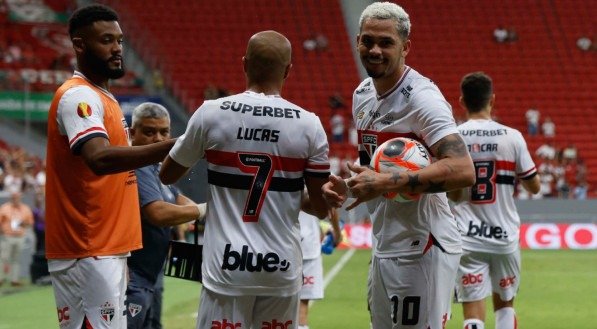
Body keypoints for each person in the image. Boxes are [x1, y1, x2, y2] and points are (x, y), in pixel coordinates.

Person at [159, 30, 330, 329]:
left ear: (244, 64)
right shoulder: (309, 125)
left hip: (226, 266)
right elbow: (320, 207)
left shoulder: (211, 114)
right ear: (288, 70)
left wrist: (199, 144)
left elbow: (167, 174)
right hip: (281, 267)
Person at [322, 3, 475, 328]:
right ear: (357, 41)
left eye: (386, 42)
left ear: (405, 47)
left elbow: (463, 169)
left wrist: (390, 183)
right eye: (368, 41)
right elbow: (375, 172)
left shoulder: (422, 99)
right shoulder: (362, 94)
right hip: (385, 243)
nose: (375, 50)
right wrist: (348, 188)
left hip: (423, 245)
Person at [44, 4, 175, 328]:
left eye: (119, 40)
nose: (117, 48)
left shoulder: (105, 98)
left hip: (108, 248)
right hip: (87, 248)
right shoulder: (78, 97)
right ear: (79, 44)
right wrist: (177, 146)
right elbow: (99, 159)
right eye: (106, 40)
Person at [448, 72, 541, 329]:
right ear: (493, 100)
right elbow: (534, 186)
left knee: (473, 315)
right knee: (505, 307)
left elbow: (453, 194)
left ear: (462, 102)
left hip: (467, 236)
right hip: (504, 237)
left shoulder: (454, 138)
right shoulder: (512, 137)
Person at [125, 102, 207, 329]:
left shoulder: (154, 168)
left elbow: (178, 199)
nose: (159, 139)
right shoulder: (136, 165)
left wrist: (200, 213)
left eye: (164, 132)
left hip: (149, 273)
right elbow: (158, 213)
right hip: (132, 274)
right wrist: (204, 210)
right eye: (149, 132)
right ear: (133, 133)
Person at [297, 208, 341, 329]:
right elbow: (329, 207)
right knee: (302, 307)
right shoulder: (315, 188)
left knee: (275, 306)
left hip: (281, 245)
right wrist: (337, 233)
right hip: (308, 247)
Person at [0, 189, 34, 287]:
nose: (15, 198)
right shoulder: (4, 208)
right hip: (7, 236)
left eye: (17, 197)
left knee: (16, 259)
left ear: (20, 198)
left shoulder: (25, 208)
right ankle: (1, 278)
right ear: (11, 197)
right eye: (13, 197)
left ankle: (14, 280)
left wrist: (24, 224)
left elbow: (30, 222)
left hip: (20, 236)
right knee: (3, 258)